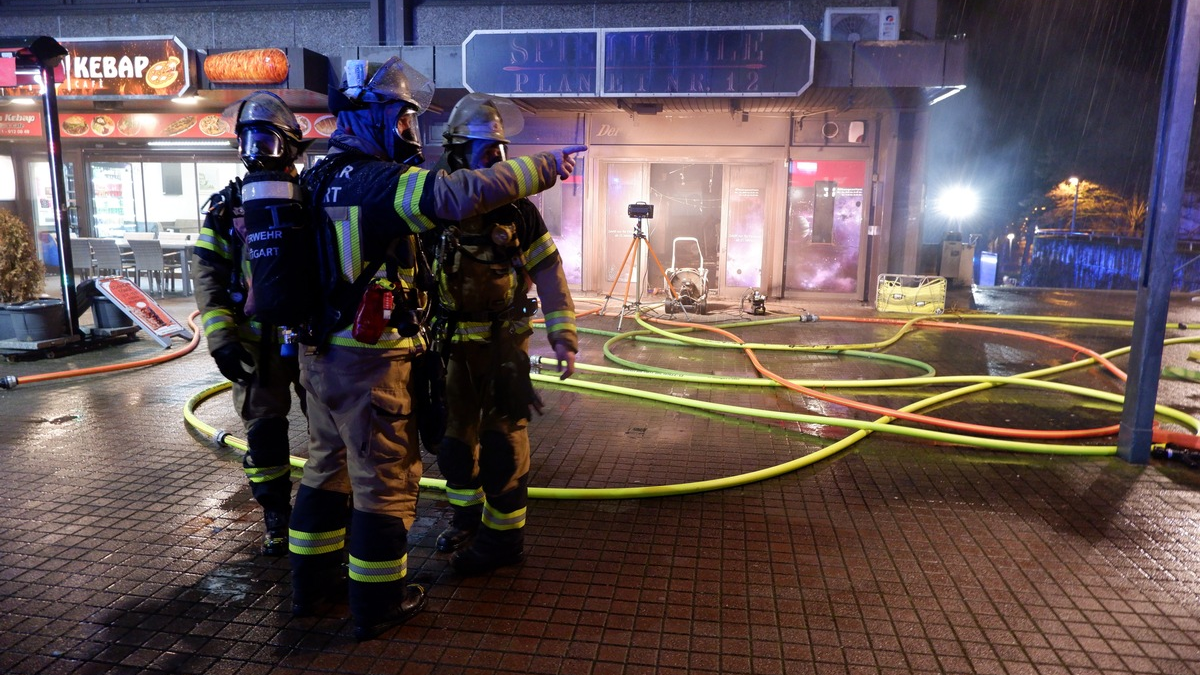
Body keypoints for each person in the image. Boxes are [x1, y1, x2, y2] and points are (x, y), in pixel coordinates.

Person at [288, 56, 584, 642]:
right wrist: (544, 166)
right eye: (401, 120)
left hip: (354, 355)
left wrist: (562, 330)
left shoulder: (318, 178)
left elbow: (547, 272)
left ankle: (317, 583)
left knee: (335, 469)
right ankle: (378, 604)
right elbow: (450, 200)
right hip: (382, 360)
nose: (406, 133)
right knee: (396, 476)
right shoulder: (390, 185)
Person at [429, 93, 577, 576]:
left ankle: (502, 541)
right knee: (452, 446)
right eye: (484, 152)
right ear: (456, 152)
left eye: (499, 152)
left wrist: (563, 336)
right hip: (449, 351)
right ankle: (465, 518)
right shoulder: (435, 206)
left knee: (502, 445)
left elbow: (550, 273)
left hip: (505, 350)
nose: (496, 161)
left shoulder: (519, 214)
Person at [193, 91, 311, 558]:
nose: (254, 152)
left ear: (291, 147)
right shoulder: (227, 208)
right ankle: (276, 518)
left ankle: (329, 509)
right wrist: (221, 339)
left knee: (330, 429)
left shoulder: (314, 198)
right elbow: (208, 273)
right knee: (264, 434)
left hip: (312, 340)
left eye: (265, 141)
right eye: (247, 140)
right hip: (255, 345)